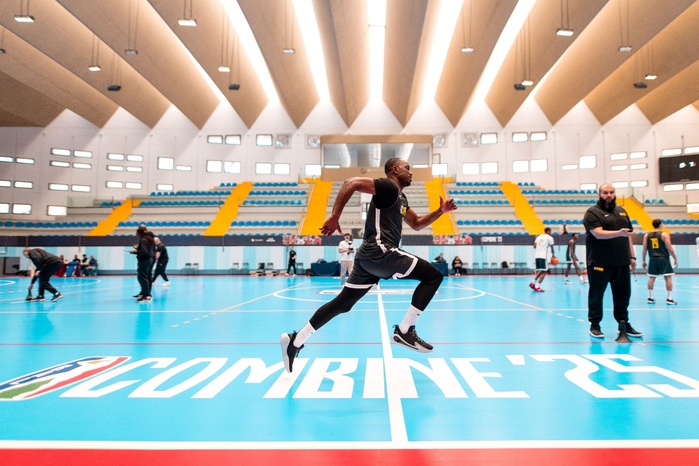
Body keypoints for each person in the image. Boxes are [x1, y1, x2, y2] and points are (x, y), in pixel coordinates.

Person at [280, 157, 457, 372]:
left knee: (343, 303)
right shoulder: (388, 186)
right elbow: (351, 183)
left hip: (367, 258)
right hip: (380, 251)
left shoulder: (400, 198)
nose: (411, 173)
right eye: (407, 168)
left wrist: (440, 212)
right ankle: (405, 329)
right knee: (433, 276)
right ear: (395, 169)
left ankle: (296, 340)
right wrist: (335, 216)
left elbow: (417, 224)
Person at [583, 183, 642, 339]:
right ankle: (595, 325)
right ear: (599, 194)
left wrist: (632, 256)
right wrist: (619, 233)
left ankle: (623, 323)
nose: (608, 195)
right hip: (599, 262)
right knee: (596, 295)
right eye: (605, 192)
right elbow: (597, 233)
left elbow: (627, 235)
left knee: (623, 295)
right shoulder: (592, 213)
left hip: (621, 262)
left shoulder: (621, 211)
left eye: (611, 192)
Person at [642, 219, 678, 305]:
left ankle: (650, 297)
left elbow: (644, 249)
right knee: (668, 277)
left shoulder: (647, 235)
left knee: (651, 277)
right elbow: (669, 247)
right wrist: (675, 258)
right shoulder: (664, 234)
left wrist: (643, 260)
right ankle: (669, 298)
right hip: (663, 258)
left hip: (652, 258)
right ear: (661, 224)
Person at [130, 225, 155, 302]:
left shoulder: (143, 240)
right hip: (150, 259)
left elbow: (144, 252)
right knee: (147, 277)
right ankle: (145, 293)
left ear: (139, 233)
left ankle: (146, 295)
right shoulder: (150, 239)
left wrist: (135, 252)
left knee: (143, 277)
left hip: (145, 260)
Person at [529, 227, 555, 292]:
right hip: (543, 256)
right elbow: (552, 247)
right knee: (544, 271)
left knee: (541, 270)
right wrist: (553, 255)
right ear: (548, 231)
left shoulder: (538, 237)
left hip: (537, 256)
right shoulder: (550, 238)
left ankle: (532, 282)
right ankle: (537, 286)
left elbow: (534, 246)